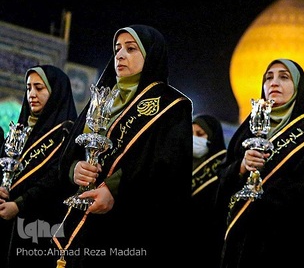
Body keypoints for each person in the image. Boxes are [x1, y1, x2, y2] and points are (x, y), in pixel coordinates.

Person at [53, 24, 193, 267]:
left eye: (131, 49)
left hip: (126, 228)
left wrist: (115, 188)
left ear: (151, 55)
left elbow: (169, 171)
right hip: (76, 224)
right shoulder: (102, 99)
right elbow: (69, 153)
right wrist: (74, 168)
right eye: (117, 48)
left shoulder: (172, 106)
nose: (120, 55)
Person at [216, 58, 304, 268]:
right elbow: (222, 176)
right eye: (268, 78)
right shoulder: (248, 128)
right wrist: (241, 167)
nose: (274, 83)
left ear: (298, 86)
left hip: (289, 242)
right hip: (241, 239)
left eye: (284, 77)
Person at [0, 65, 77, 267]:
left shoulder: (65, 133)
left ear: (55, 91)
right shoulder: (19, 130)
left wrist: (19, 204)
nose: (32, 94)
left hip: (39, 228)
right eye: (28, 88)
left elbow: (55, 178)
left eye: (39, 88)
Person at [192, 113, 227, 268]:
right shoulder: (178, 162)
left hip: (212, 242)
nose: (193, 139)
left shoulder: (224, 168)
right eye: (190, 134)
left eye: (200, 134)